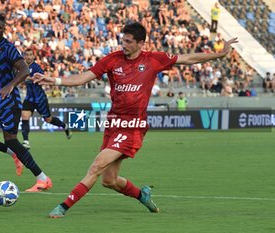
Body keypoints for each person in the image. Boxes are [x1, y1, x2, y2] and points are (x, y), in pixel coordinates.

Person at [33, 22, 238, 218]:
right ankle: (142, 195)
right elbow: (83, 77)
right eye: (123, 40)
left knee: (96, 166)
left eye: (129, 41)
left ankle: (63, 206)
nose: (124, 44)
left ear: (141, 43)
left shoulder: (153, 59)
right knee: (109, 180)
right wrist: (55, 80)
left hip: (133, 126)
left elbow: (188, 59)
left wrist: (219, 54)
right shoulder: (113, 59)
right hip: (114, 124)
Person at [0, 13, 52, 192]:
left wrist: (11, 86)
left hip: (9, 103)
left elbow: (25, 70)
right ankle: (13, 155)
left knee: (11, 140)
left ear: (4, 29)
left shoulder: (9, 48)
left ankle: (43, 179)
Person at [21, 48, 72, 149]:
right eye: (26, 54)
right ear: (24, 56)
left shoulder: (36, 67)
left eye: (30, 54)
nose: (28, 56)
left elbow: (40, 78)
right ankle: (26, 141)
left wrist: (27, 78)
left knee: (48, 119)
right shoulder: (22, 67)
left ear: (33, 56)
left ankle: (64, 126)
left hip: (40, 99)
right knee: (24, 116)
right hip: (29, 98)